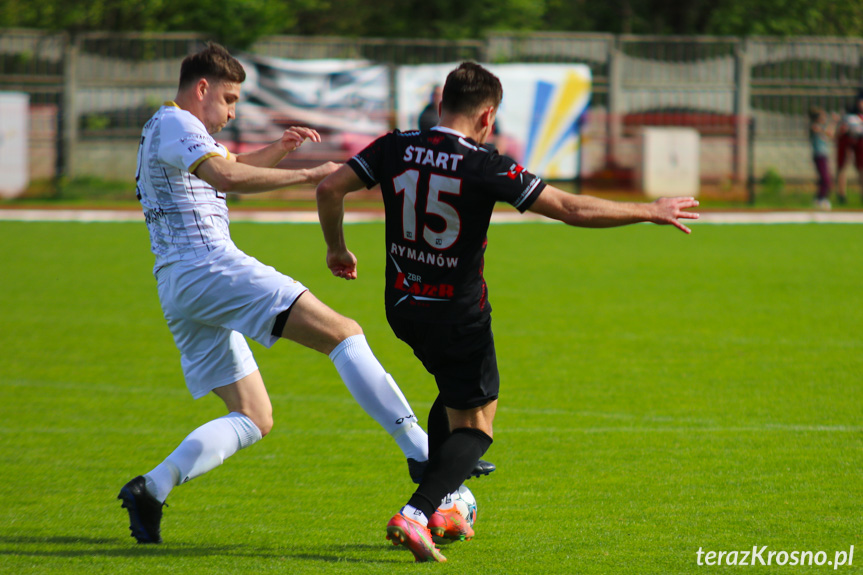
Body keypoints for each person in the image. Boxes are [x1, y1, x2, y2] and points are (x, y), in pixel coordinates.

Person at [316, 61, 700, 563]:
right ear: (487, 116)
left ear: (440, 104)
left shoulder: (394, 145)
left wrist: (336, 250)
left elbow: (328, 188)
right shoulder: (485, 164)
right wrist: (649, 210)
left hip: (404, 305)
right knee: (476, 424)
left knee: (451, 395)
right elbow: (570, 209)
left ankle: (447, 504)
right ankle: (417, 512)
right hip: (458, 313)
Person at [118, 43, 492, 545]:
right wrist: (315, 173)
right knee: (343, 333)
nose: (231, 113)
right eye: (228, 99)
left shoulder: (166, 131)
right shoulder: (177, 123)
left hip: (178, 285)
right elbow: (226, 174)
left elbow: (226, 171)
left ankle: (152, 487)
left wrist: (279, 150)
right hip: (210, 266)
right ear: (201, 88)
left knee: (253, 415)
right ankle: (422, 451)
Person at [834, 91, 863, 205]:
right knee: (843, 167)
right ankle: (841, 194)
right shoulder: (850, 117)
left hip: (861, 143)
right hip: (848, 142)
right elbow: (840, 132)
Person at [808, 107, 835, 210]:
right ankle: (820, 199)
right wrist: (832, 122)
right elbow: (827, 133)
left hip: (823, 155)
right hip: (819, 156)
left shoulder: (821, 127)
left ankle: (821, 198)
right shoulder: (815, 127)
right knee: (825, 179)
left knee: (826, 179)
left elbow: (830, 135)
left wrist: (832, 123)